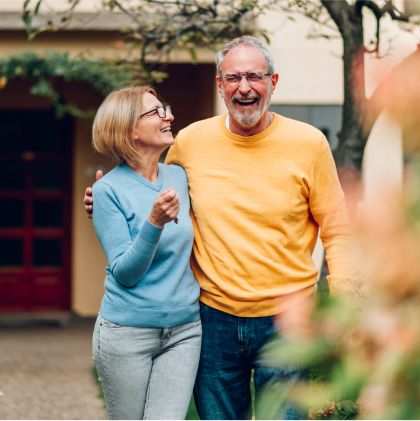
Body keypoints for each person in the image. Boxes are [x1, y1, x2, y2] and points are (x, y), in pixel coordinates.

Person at [85, 36, 356, 420]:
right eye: (233, 77)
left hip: (289, 320)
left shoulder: (309, 144)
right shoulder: (190, 143)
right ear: (219, 85)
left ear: (273, 82)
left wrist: (342, 305)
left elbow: (338, 229)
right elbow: (142, 184)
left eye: (254, 76)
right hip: (211, 320)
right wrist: (101, 203)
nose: (244, 87)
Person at [90, 85, 201, 420]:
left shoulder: (179, 176)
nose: (168, 115)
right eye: (156, 112)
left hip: (184, 330)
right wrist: (154, 222)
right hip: (127, 333)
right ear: (129, 130)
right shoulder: (107, 190)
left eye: (164, 108)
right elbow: (126, 273)